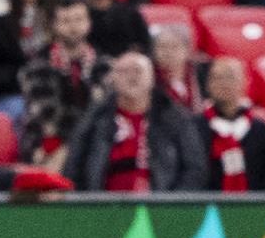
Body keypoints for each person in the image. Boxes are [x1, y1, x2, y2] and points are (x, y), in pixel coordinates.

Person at [64, 51, 208, 191]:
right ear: (113, 79)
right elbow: (74, 167)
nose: (132, 77)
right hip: (104, 208)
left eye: (138, 71)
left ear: (151, 78)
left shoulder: (176, 118)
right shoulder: (94, 119)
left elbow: (195, 169)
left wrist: (171, 205)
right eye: (124, 71)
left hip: (161, 207)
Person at [17, 0, 107, 167]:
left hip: (96, 142)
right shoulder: (37, 66)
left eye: (79, 20)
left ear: (89, 23)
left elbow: (107, 112)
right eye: (65, 21)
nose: (73, 27)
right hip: (49, 141)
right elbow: (48, 116)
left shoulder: (104, 66)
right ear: (54, 25)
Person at [201, 55, 265, 190]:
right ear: (208, 85)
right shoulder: (195, 129)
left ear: (245, 82)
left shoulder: (262, 131)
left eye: (230, 77)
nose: (224, 83)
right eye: (217, 78)